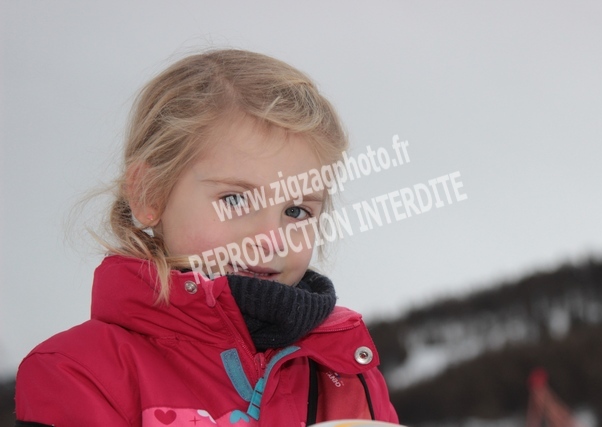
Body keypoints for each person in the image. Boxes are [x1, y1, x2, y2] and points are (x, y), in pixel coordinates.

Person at [14, 49, 399, 426]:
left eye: (296, 211)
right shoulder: (77, 373)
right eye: (235, 199)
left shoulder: (349, 374)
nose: (271, 239)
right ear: (150, 193)